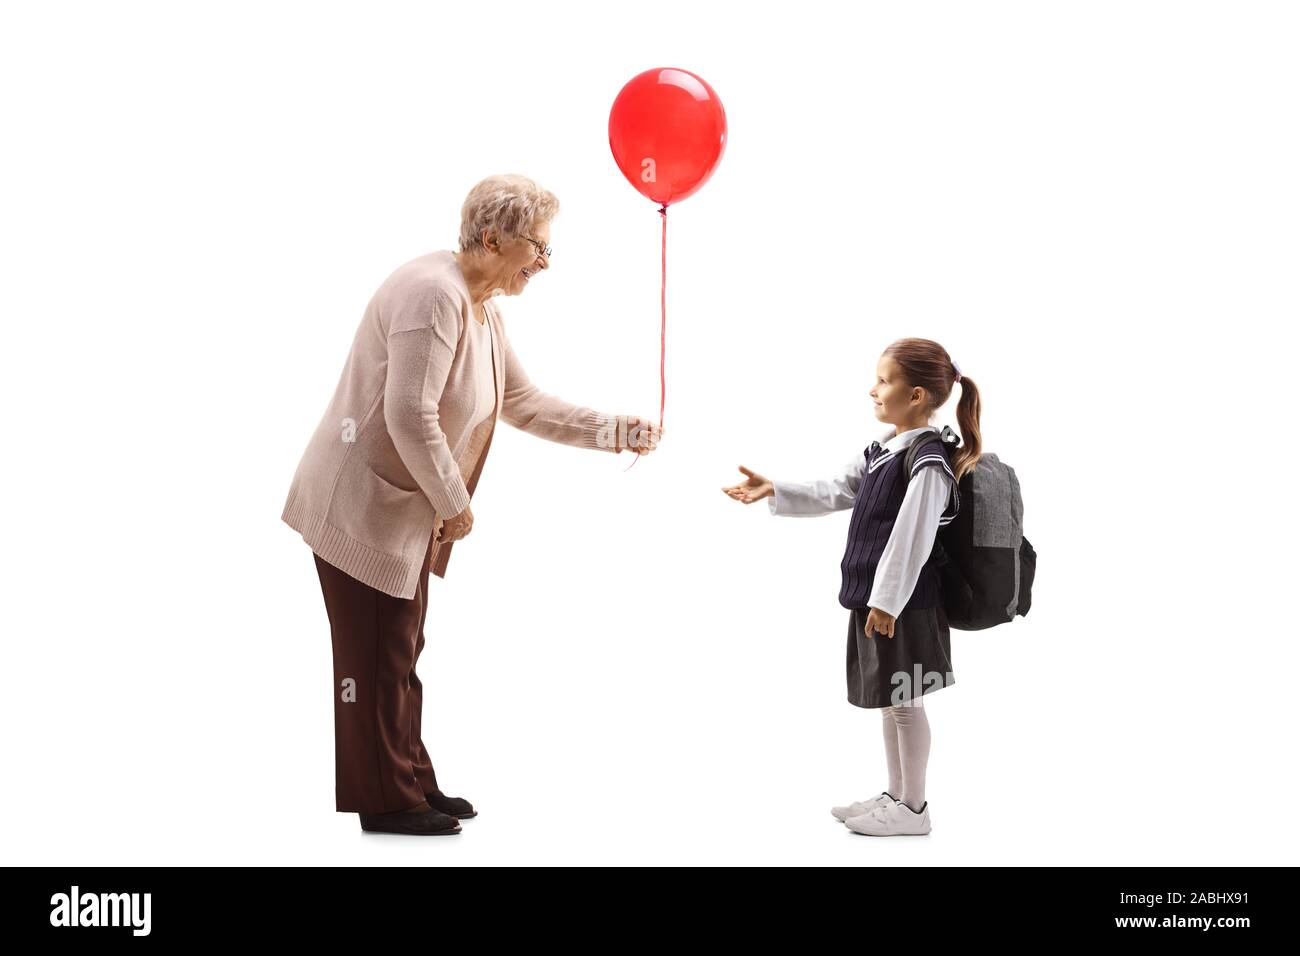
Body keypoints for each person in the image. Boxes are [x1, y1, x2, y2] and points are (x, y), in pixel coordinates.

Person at [283, 174, 662, 835]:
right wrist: (454, 503)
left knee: (398, 648)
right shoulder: (434, 296)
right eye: (539, 249)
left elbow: (522, 402)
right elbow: (408, 413)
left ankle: (408, 779)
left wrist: (615, 431)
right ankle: (386, 799)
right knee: (376, 653)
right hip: (360, 505)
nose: (544, 264)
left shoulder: (481, 306)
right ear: (493, 239)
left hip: (401, 508)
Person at [721, 337, 981, 836]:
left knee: (906, 702)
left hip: (905, 603)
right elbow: (840, 488)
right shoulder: (887, 450)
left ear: (918, 396)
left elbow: (913, 536)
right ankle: (897, 796)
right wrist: (776, 488)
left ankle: (915, 809)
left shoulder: (928, 459)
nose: (873, 390)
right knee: (892, 700)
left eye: (885, 381)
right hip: (879, 601)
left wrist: (886, 601)